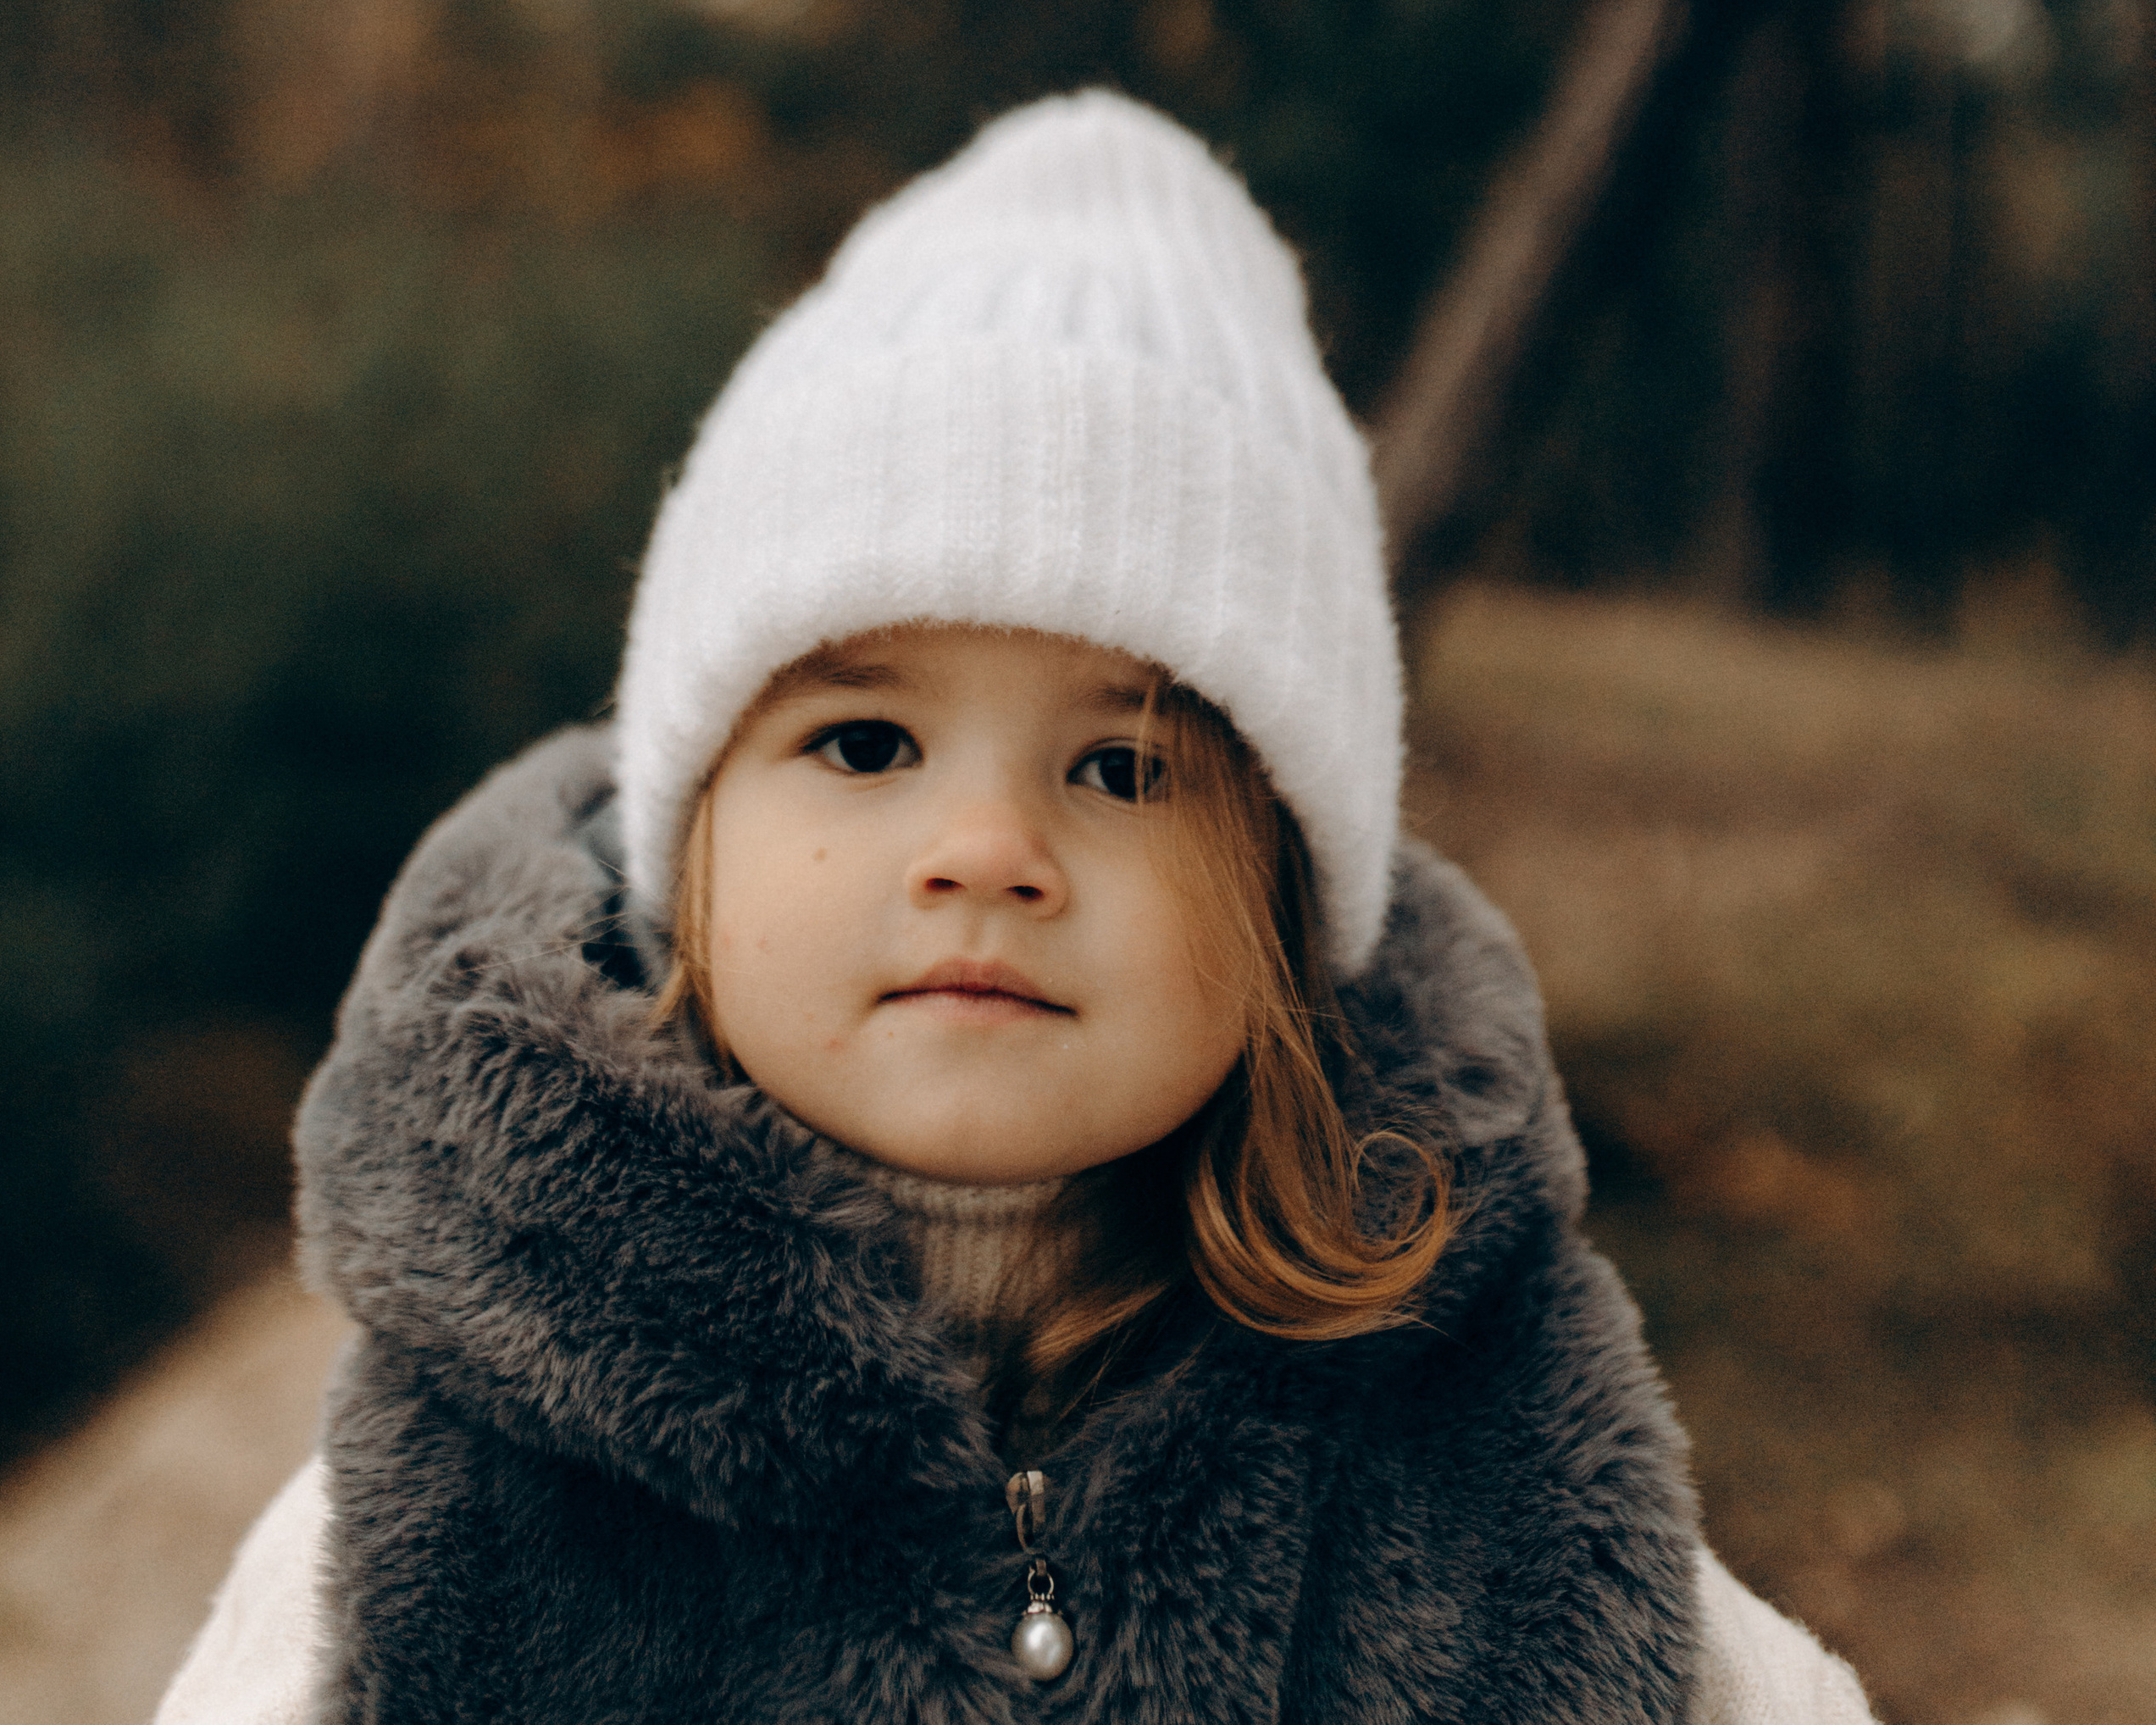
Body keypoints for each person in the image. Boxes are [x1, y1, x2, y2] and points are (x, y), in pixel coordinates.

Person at [159, 92, 1873, 1722]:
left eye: (1120, 770)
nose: (985, 851)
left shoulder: (1498, 1483)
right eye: (863, 744)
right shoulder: (436, 1518)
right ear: (689, 843)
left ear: (1283, 901)